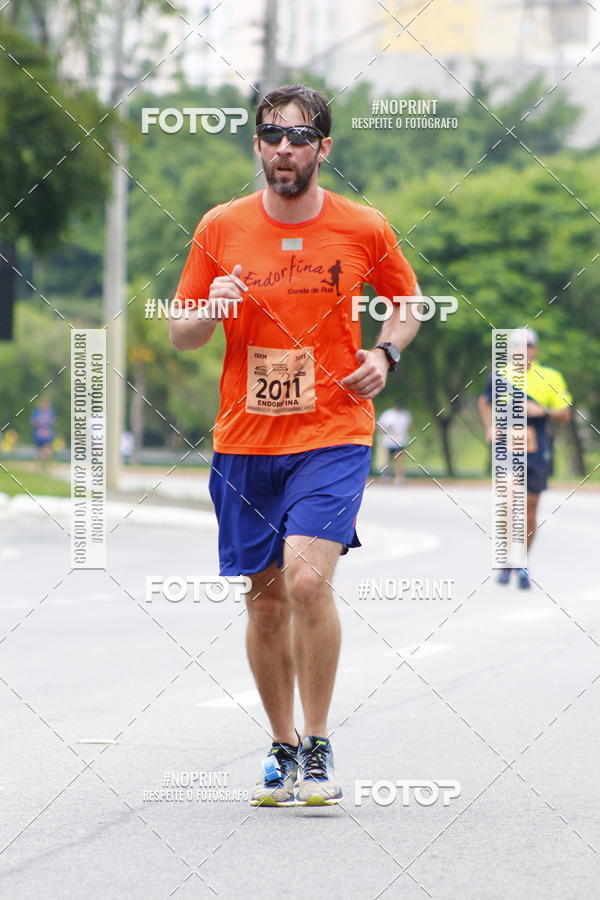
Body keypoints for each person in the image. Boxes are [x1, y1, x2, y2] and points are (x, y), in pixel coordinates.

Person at [169, 83, 421, 806]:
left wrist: (386, 354)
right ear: (258, 145)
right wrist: (209, 310)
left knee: (308, 581)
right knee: (266, 601)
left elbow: (407, 304)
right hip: (245, 439)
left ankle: (317, 743)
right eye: (273, 136)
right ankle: (280, 743)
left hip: (333, 431)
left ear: (323, 148)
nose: (285, 148)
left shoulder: (363, 226)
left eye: (300, 137)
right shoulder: (220, 227)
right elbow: (181, 332)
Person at [478, 327, 572, 589]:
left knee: (530, 510)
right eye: (518, 346)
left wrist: (543, 411)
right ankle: (508, 557)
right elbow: (484, 402)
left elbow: (565, 413)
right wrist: (490, 427)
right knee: (508, 502)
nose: (524, 351)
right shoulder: (499, 376)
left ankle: (521, 562)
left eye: (528, 346)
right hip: (507, 447)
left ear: (535, 349)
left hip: (536, 448)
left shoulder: (551, 377)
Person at [377, 401, 412, 484]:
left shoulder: (405, 415)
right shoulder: (388, 414)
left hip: (400, 441)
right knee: (386, 459)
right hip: (388, 441)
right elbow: (380, 427)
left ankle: (399, 478)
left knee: (399, 460)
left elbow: (408, 427)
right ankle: (385, 476)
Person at [30, 398, 56, 471]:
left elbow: (54, 421)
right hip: (38, 435)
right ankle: (41, 466)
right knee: (40, 452)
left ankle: (44, 465)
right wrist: (38, 423)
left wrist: (50, 422)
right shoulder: (36, 412)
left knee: (47, 450)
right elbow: (32, 422)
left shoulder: (50, 412)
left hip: (47, 435)